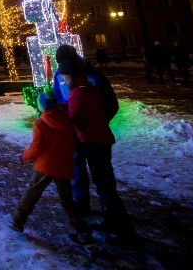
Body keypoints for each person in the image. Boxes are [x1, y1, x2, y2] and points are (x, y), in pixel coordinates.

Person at [63, 57, 140, 248]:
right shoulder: (90, 88)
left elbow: (75, 119)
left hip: (93, 142)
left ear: (71, 76)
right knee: (105, 183)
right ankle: (112, 219)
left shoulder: (77, 94)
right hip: (102, 140)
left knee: (104, 184)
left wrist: (59, 120)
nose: (63, 80)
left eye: (64, 77)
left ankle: (124, 230)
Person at [10, 92, 93, 247]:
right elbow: (78, 136)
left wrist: (24, 156)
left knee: (32, 193)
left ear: (41, 107)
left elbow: (36, 147)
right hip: (64, 165)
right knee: (67, 200)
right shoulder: (66, 119)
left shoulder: (41, 123)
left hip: (45, 166)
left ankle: (17, 220)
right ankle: (82, 231)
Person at [52, 44, 118, 216]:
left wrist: (96, 122)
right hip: (75, 133)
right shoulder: (60, 74)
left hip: (93, 135)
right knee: (77, 168)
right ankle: (82, 204)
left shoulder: (92, 77)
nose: (63, 75)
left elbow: (110, 104)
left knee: (102, 175)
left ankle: (112, 212)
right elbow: (59, 97)